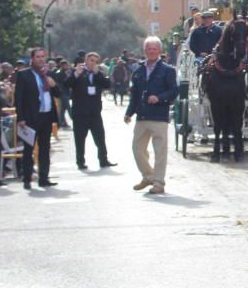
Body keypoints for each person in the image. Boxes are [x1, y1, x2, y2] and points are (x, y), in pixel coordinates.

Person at [125, 36, 178, 194]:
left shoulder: (168, 70)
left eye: (154, 49)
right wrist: (129, 112)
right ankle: (148, 176)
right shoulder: (139, 70)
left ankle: (158, 183)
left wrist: (159, 98)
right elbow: (134, 94)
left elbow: (174, 91)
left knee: (160, 152)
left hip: (159, 116)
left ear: (159, 51)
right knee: (137, 149)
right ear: (145, 51)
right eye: (149, 49)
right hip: (142, 116)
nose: (151, 51)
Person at [14, 48, 61, 189]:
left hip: (46, 116)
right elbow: (19, 97)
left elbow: (58, 93)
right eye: (38, 57)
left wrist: (53, 84)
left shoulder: (49, 73)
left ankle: (44, 178)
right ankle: (27, 178)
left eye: (43, 57)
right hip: (30, 118)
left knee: (45, 148)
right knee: (28, 149)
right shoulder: (24, 75)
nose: (41, 59)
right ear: (32, 59)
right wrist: (21, 118)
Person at [64, 52, 116, 170]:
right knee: (80, 138)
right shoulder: (77, 71)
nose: (93, 63)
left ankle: (103, 160)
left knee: (100, 137)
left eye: (95, 61)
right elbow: (67, 85)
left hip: (94, 111)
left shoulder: (98, 73)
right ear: (86, 60)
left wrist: (98, 74)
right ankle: (80, 162)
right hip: (80, 112)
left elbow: (107, 85)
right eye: (91, 60)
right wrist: (76, 74)